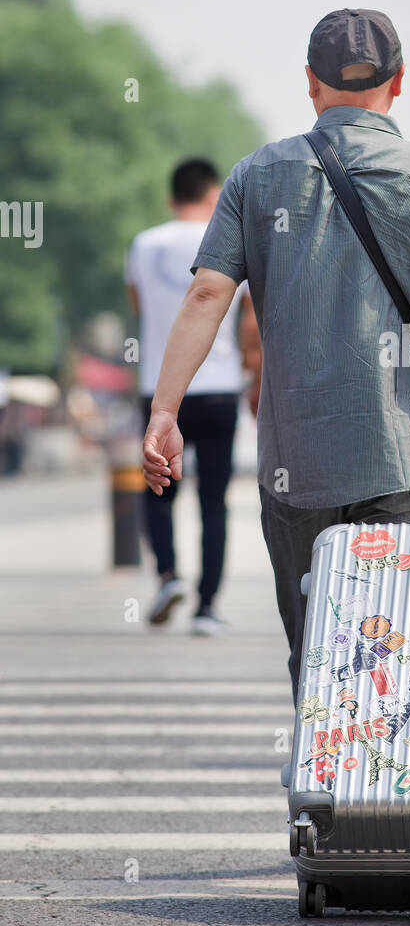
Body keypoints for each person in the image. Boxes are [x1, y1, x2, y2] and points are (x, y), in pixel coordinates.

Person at [141, 8, 410, 699]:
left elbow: (208, 295)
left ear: (310, 82)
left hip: (293, 460)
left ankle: (319, 790)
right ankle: (375, 786)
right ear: (398, 83)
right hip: (401, 460)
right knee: (388, 646)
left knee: (313, 645)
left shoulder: (255, 176)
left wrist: (163, 410)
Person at [127, 157, 259, 635]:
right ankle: (207, 608)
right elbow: (247, 319)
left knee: (158, 489)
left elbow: (139, 305)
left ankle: (167, 575)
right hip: (219, 386)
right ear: (212, 196)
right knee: (213, 501)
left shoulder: (144, 243)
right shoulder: (226, 235)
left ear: (170, 198)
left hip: (160, 389)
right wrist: (253, 371)